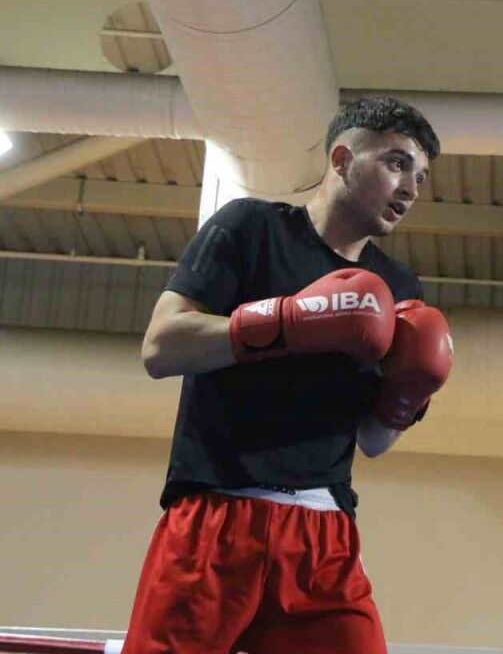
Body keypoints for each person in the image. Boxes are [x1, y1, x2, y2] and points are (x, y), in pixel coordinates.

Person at [121, 96, 455, 654]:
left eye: (419, 176)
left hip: (322, 536)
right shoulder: (251, 228)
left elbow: (373, 441)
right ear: (342, 159)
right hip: (216, 515)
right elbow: (160, 346)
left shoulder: (399, 288)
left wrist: (409, 392)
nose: (411, 189)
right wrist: (289, 321)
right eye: (397, 163)